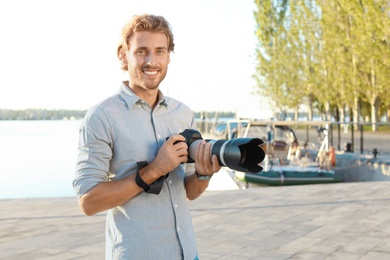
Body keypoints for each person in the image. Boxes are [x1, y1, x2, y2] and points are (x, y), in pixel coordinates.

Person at [73, 14, 221, 260]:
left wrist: (204, 174)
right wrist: (153, 170)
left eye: (160, 51)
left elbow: (189, 191)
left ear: (168, 56)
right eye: (142, 51)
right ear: (124, 55)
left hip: (188, 253)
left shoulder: (183, 113)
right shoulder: (101, 117)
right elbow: (88, 202)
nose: (152, 61)